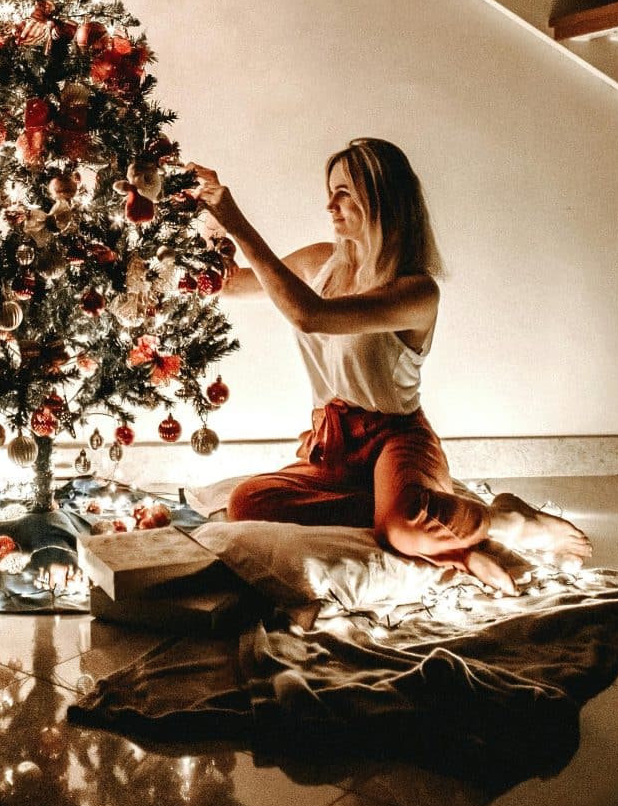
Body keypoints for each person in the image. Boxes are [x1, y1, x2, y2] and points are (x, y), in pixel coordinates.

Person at [189, 139, 592, 594]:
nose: (329, 204)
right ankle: (434, 521)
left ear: (380, 197)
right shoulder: (319, 260)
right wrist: (211, 222)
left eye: (344, 192)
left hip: (395, 439)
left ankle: (503, 519)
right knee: (248, 502)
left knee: (400, 529)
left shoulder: (415, 291)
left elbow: (310, 314)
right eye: (330, 190)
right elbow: (228, 287)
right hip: (333, 441)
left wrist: (239, 222)